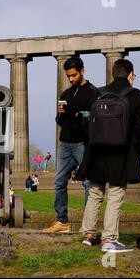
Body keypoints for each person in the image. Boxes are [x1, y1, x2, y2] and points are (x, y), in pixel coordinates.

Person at [78, 59, 140, 253]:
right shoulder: (136, 95)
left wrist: (90, 146)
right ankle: (109, 239)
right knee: (116, 194)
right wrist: (136, 154)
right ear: (130, 74)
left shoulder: (97, 94)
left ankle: (88, 234)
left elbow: (85, 124)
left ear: (113, 73)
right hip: (122, 151)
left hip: (97, 151)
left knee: (95, 192)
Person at [43, 57, 99, 233]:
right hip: (65, 143)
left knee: (88, 184)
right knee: (59, 182)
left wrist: (73, 114)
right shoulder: (65, 95)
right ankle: (62, 222)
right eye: (68, 76)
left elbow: (92, 118)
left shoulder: (93, 92)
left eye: (73, 75)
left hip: (83, 143)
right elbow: (60, 121)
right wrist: (61, 115)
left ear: (82, 71)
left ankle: (87, 225)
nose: (71, 79)